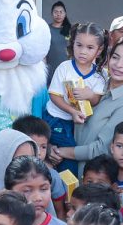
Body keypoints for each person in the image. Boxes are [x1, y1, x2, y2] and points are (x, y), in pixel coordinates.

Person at [57, 36, 123, 171]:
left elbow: (101, 149)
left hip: (92, 177)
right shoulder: (97, 84)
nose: (118, 65)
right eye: (115, 57)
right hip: (69, 167)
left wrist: (61, 152)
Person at [47, 23, 109, 160]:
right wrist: (72, 111)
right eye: (79, 45)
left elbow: (97, 99)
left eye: (90, 47)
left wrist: (90, 95)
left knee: (72, 151)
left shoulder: (100, 75)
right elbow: (54, 95)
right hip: (57, 119)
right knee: (64, 154)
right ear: (72, 44)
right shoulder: (64, 68)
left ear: (99, 51)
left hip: (81, 124)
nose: (83, 51)